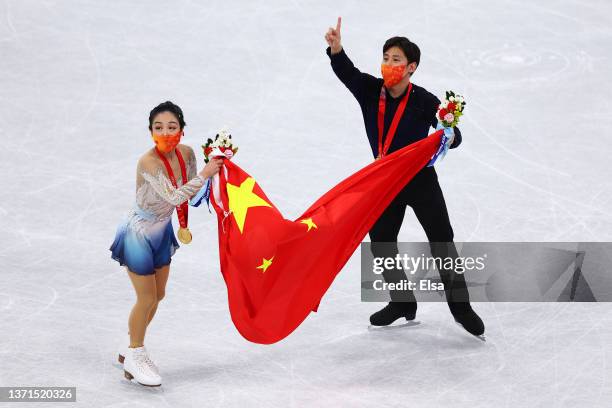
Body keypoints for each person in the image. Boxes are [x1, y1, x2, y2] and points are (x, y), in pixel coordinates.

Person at [324, 17, 484, 337]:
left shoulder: (424, 100)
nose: (388, 64)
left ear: (411, 67)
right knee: (381, 242)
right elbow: (349, 74)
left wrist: (450, 135)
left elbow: (453, 133)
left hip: (420, 181)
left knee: (442, 242)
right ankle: (401, 302)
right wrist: (337, 50)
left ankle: (461, 307)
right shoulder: (371, 92)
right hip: (384, 183)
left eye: (396, 60)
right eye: (385, 58)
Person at [109, 101, 223, 386]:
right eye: (158, 127)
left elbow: (193, 195)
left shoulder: (186, 153)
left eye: (172, 127)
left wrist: (220, 171)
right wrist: (206, 174)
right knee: (146, 298)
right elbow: (174, 197)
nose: (165, 132)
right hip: (139, 233)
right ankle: (136, 355)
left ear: (182, 130)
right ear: (150, 131)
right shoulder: (147, 161)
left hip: (163, 231)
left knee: (158, 296)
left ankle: (131, 343)